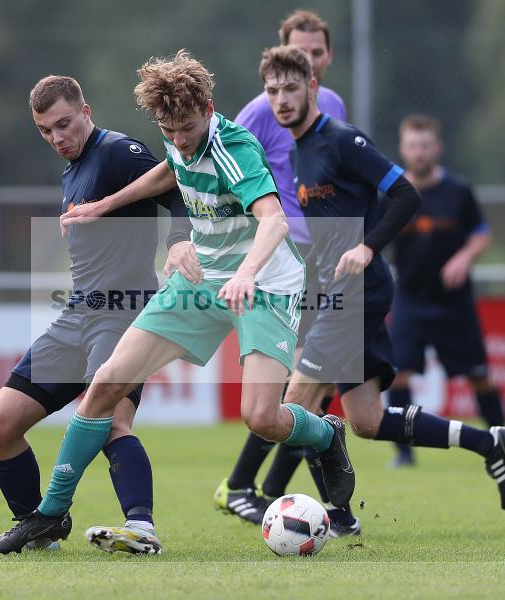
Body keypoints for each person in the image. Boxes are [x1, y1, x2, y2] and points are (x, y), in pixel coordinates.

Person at [0, 50, 356, 554]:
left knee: (261, 418)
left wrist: (245, 274)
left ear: (209, 109)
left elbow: (274, 220)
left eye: (187, 128)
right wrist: (105, 205)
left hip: (264, 284)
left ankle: (325, 434)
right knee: (105, 386)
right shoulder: (176, 138)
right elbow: (168, 172)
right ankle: (49, 515)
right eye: (169, 129)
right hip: (201, 281)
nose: (178, 139)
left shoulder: (234, 146)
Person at [259, 45, 505, 519]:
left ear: (312, 87)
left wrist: (367, 246)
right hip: (335, 290)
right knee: (366, 419)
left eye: (291, 88)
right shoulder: (297, 152)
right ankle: (489, 443)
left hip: (358, 290)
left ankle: (326, 514)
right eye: (273, 91)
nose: (281, 99)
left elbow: (405, 194)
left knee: (296, 401)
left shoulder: (341, 139)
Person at [0, 75, 191, 555]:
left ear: (86, 112)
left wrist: (179, 239)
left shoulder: (119, 152)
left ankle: (141, 527)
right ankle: (39, 529)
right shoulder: (72, 172)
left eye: (64, 124)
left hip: (124, 314)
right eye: (45, 130)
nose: (57, 137)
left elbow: (178, 184)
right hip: (78, 314)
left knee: (111, 423)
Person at [213, 9, 360, 536]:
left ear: (326, 58)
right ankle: (249, 488)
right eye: (301, 51)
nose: (309, 59)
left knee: (313, 389)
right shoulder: (257, 112)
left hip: (327, 258)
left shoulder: (333, 105)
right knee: (302, 387)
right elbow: (222, 169)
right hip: (283, 263)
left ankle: (261, 491)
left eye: (317, 53)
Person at [387, 114, 505, 468]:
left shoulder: (458, 191)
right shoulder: (393, 194)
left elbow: (481, 234)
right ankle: (404, 454)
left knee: (479, 375)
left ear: (437, 148)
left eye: (425, 145)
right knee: (399, 374)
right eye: (412, 146)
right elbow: (374, 239)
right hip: (410, 298)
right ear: (403, 149)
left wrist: (464, 257)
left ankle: (502, 439)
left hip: (454, 302)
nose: (419, 152)